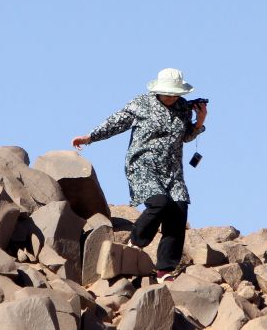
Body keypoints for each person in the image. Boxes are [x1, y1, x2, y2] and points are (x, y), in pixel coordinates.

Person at [72, 67, 208, 283]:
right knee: (159, 203)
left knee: (178, 211)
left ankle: (165, 270)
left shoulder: (183, 108)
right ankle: (135, 244)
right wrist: (90, 138)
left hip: (172, 170)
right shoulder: (141, 103)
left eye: (175, 93)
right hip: (143, 164)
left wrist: (199, 122)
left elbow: (184, 137)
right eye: (168, 92)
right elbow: (116, 122)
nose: (171, 97)